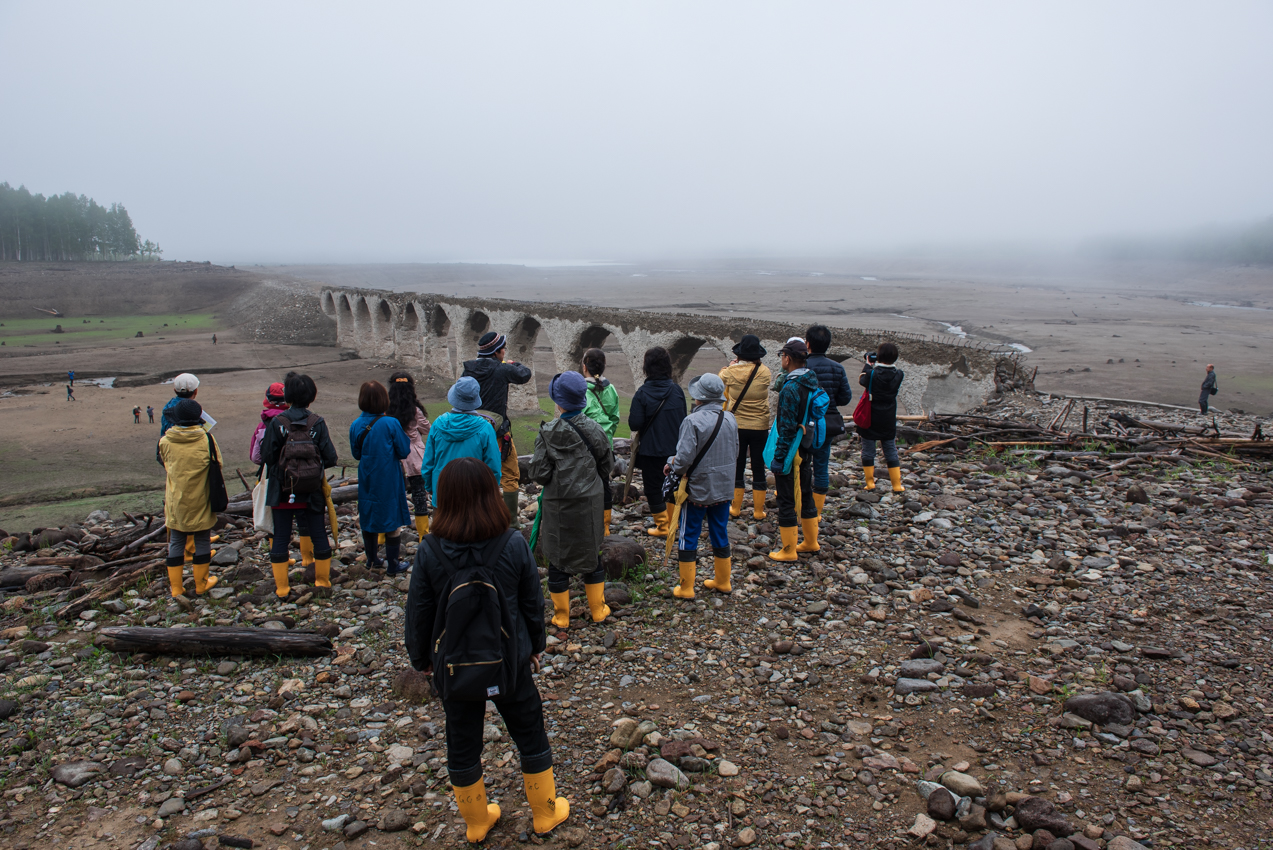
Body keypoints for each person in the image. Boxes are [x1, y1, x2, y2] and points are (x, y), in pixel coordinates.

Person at [405, 458, 569, 842]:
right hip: (510, 662)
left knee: (461, 741)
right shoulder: (512, 543)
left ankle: (477, 823)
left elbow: (419, 612)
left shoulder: (430, 550)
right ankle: (545, 814)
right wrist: (535, 646)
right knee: (529, 732)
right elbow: (532, 603)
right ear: (490, 494)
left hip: (454, 668)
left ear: (442, 498)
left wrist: (421, 659)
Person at [531, 371, 613, 629]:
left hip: (558, 504)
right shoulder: (595, 429)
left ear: (558, 402)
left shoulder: (547, 433)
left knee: (558, 557)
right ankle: (598, 610)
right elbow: (606, 465)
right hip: (590, 501)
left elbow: (539, 473)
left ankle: (562, 616)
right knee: (592, 552)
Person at [258, 372, 339, 599]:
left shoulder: (277, 423)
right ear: (312, 396)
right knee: (319, 535)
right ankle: (322, 581)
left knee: (281, 537)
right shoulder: (318, 423)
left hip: (283, 491)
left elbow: (268, 456)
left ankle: (282, 588)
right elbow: (331, 458)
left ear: (288, 396)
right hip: (312, 490)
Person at [667, 374, 738, 598]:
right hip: (724, 486)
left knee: (689, 533)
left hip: (698, 488)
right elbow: (734, 450)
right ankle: (723, 581)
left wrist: (672, 465)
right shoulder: (730, 418)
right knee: (720, 529)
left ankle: (687, 587)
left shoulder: (692, 421)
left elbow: (685, 457)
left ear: (699, 398)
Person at [461, 331, 532, 522]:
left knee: (473, 471)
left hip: (472, 429)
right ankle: (511, 522)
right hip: (498, 431)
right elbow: (525, 375)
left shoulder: (469, 368)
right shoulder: (502, 368)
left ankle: (477, 516)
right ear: (497, 351)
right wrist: (513, 364)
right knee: (510, 473)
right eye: (504, 349)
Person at [157, 399, 221, 598]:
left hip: (176, 499)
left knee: (176, 540)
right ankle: (201, 583)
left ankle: (176, 588)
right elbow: (218, 464)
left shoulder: (165, 441)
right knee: (202, 538)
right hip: (202, 498)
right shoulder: (207, 440)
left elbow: (166, 464)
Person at [351, 381, 412, 574]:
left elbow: (356, 454)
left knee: (368, 514)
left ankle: (372, 560)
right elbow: (403, 450)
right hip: (389, 476)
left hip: (367, 476)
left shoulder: (356, 425)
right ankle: (393, 564)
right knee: (392, 519)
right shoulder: (391, 423)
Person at [768, 340, 821, 561]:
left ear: (787, 359)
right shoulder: (811, 381)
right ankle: (810, 542)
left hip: (791, 451)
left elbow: (787, 428)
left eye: (782, 356)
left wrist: (779, 458)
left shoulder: (790, 387)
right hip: (806, 444)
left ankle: (788, 550)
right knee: (806, 492)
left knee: (787, 499)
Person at [627, 346, 686, 537]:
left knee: (653, 488)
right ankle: (673, 523)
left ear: (647, 367)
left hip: (651, 450)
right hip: (675, 450)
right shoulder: (677, 391)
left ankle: (663, 526)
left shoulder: (642, 393)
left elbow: (634, 424)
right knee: (672, 486)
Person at [421, 377, 502, 505]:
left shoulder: (437, 425)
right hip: (474, 494)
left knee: (442, 525)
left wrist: (431, 488)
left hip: (442, 490)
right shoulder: (485, 428)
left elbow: (428, 463)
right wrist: (490, 492)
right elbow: (494, 467)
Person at [719, 334, 771, 520]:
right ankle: (758, 511)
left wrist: (732, 367)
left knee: (738, 465)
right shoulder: (765, 372)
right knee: (758, 466)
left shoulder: (730, 372)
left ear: (739, 355)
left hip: (737, 425)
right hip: (760, 426)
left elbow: (719, 381)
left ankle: (736, 508)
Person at [804, 325, 853, 520]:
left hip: (805, 423)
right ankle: (817, 512)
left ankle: (802, 507)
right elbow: (846, 397)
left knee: (801, 464)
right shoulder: (837, 367)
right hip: (828, 422)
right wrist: (829, 402)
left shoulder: (802, 366)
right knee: (822, 465)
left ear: (807, 343)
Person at [388, 371, 432, 538]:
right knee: (419, 496)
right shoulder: (414, 410)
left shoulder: (386, 410)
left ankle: (388, 534)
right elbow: (427, 429)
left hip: (394, 457)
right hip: (415, 457)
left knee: (392, 496)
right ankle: (423, 535)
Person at [581, 348, 620, 533]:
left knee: (583, 483)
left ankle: (586, 522)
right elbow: (614, 418)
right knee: (604, 483)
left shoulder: (580, 390)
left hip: (586, 447)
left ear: (584, 367)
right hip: (607, 446)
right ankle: (605, 526)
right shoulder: (611, 388)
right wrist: (607, 435)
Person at [858, 342, 906, 493]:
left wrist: (868, 365)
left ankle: (870, 483)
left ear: (878, 356)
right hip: (888, 416)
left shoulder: (872, 373)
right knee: (890, 449)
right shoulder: (899, 374)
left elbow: (862, 381)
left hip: (871, 415)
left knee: (868, 449)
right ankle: (897, 485)